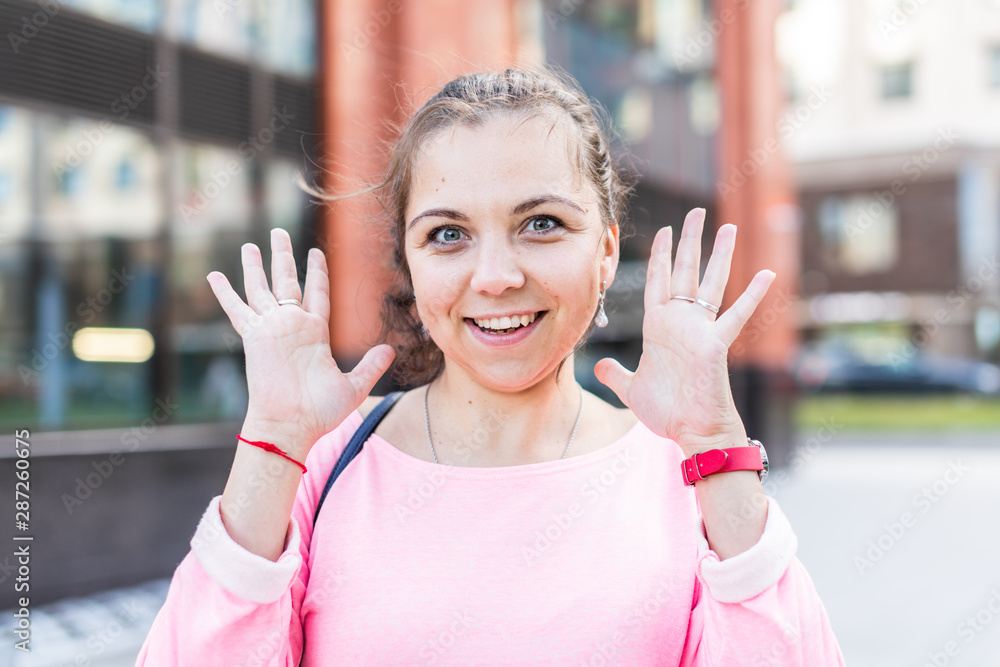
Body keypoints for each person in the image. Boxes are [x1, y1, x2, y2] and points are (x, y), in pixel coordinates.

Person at [135, 65, 846, 666]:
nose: (496, 274)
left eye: (541, 223)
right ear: (411, 265)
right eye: (448, 234)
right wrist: (272, 442)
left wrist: (718, 441)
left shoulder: (688, 479)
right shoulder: (324, 469)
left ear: (605, 250)